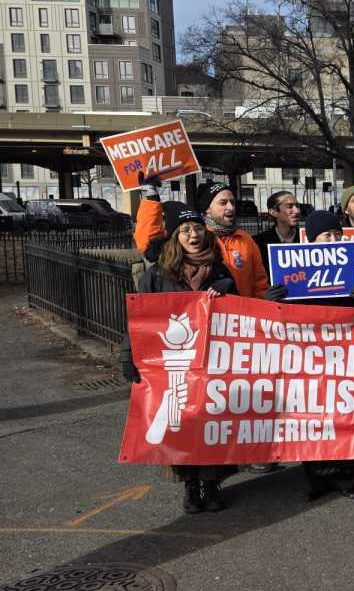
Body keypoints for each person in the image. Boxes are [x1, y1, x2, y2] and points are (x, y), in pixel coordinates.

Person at [119, 208, 237, 514]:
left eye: (197, 228)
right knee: (181, 424)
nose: (193, 236)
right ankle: (190, 486)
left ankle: (212, 484)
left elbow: (240, 316)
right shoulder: (158, 274)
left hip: (213, 361)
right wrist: (128, 356)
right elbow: (138, 319)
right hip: (174, 364)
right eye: (185, 230)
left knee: (211, 424)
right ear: (174, 237)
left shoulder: (220, 270)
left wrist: (228, 290)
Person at [264, 209, 354, 498]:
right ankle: (317, 475)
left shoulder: (353, 266)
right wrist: (271, 300)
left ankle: (346, 474)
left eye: (337, 234)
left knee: (344, 411)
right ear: (311, 239)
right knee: (310, 416)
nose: (333, 239)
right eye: (327, 235)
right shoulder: (290, 269)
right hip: (306, 354)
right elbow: (277, 318)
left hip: (343, 353)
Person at [135, 178, 268, 300]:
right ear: (207, 209)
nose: (231, 207)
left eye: (232, 202)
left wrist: (261, 310)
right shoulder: (198, 236)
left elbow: (259, 282)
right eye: (223, 203)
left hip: (240, 318)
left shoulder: (246, 239)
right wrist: (151, 197)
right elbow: (149, 241)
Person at [253, 191, 302, 265]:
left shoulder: (308, 239)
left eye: (297, 206)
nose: (297, 211)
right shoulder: (258, 243)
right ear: (273, 212)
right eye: (289, 206)